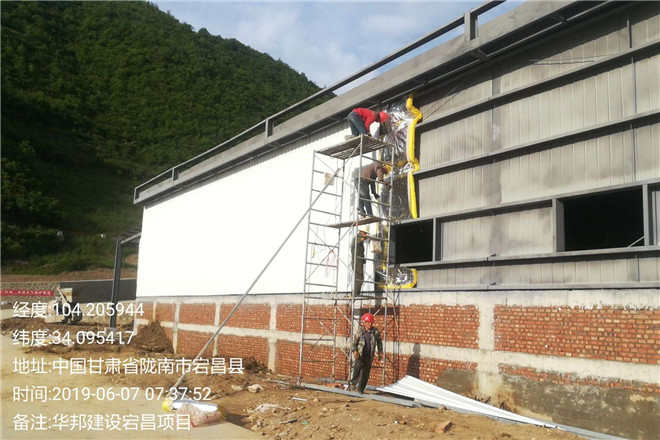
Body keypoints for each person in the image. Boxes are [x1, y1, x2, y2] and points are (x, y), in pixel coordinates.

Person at [350, 313, 383, 394]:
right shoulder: (360, 331)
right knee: (357, 367)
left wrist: (380, 352)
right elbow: (354, 343)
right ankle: (353, 384)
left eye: (371, 323)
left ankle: (361, 389)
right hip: (360, 354)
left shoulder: (375, 332)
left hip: (368, 355)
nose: (370, 324)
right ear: (364, 323)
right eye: (368, 323)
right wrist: (354, 351)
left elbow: (379, 342)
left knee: (366, 372)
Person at [350, 229, 368, 296]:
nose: (365, 234)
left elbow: (362, 240)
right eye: (365, 233)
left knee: (358, 278)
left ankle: (356, 293)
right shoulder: (357, 238)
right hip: (357, 261)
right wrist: (367, 237)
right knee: (360, 279)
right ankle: (355, 293)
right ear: (362, 232)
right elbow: (361, 239)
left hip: (358, 261)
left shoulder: (358, 239)